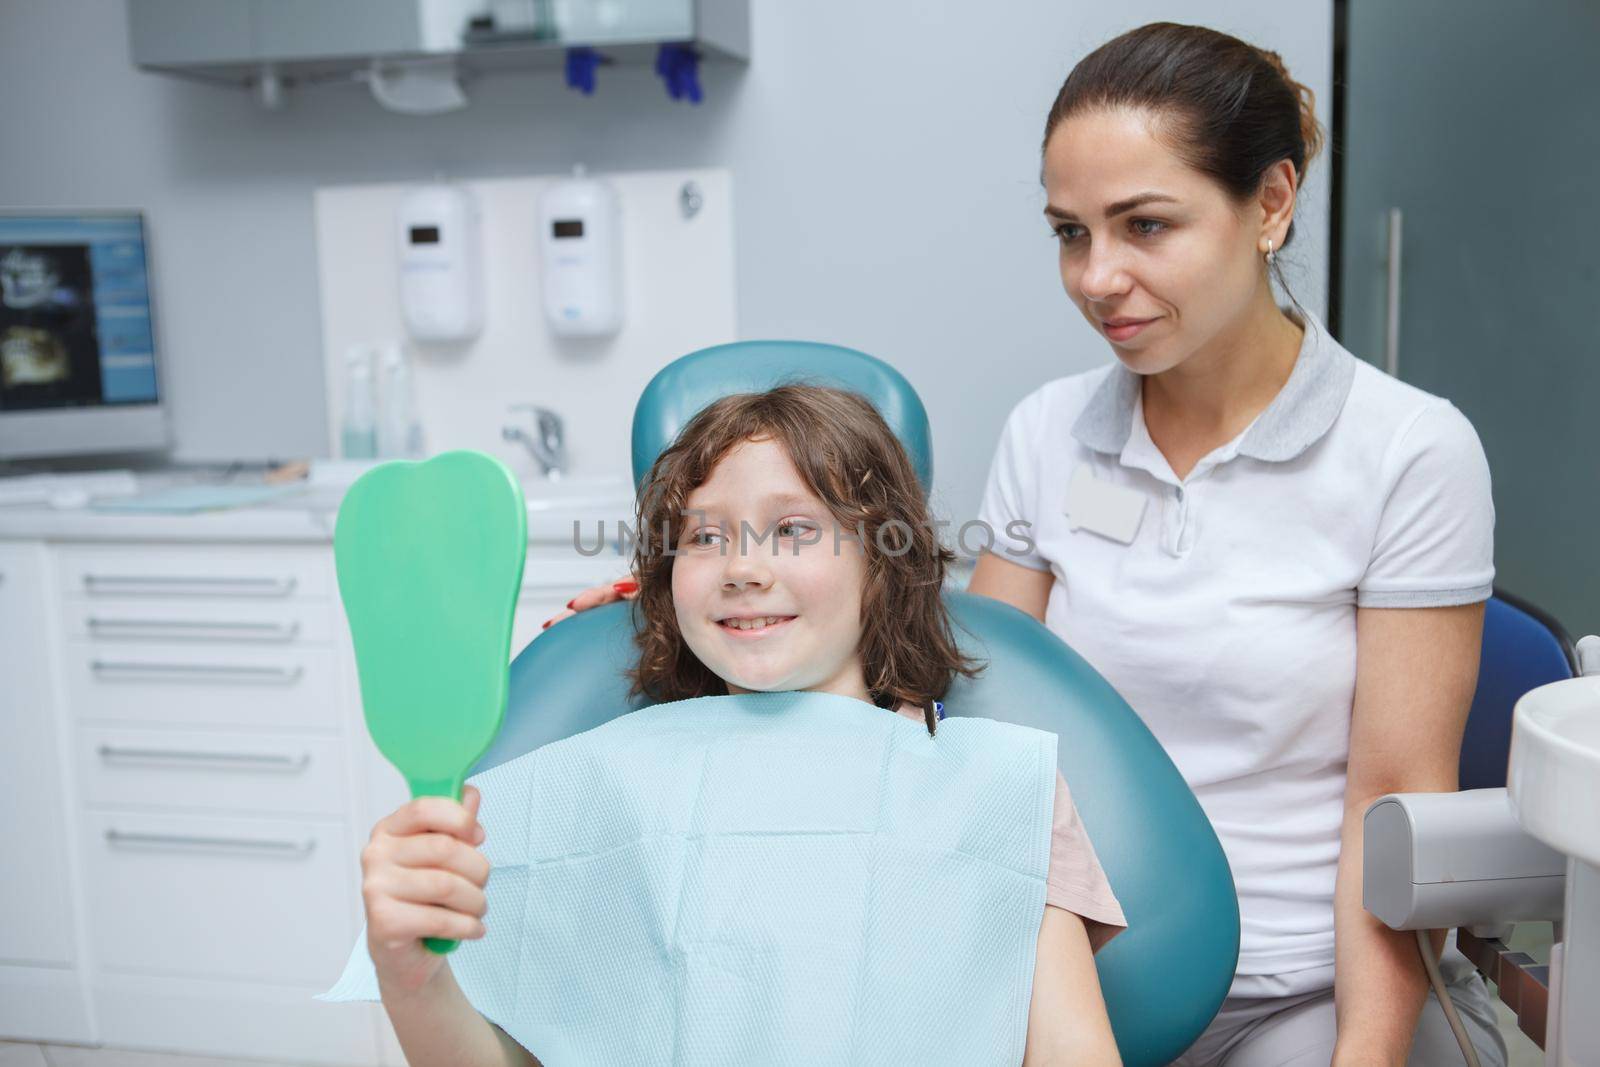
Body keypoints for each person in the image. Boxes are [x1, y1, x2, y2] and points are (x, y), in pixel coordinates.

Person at [552, 22, 1508, 1067]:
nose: (1097, 277)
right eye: (1069, 232)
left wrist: (1361, 1054)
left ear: (1270, 203)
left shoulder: (1408, 451)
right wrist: (696, 609)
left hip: (1306, 988)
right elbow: (971, 690)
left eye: (1144, 225)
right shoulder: (1048, 433)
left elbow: (1393, 805)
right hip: (1061, 962)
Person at [359, 384, 1127, 1066]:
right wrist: (414, 978)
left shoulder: (1001, 793)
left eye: (793, 528)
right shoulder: (604, 792)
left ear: (883, 561)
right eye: (704, 536)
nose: (742, 567)